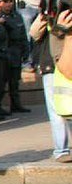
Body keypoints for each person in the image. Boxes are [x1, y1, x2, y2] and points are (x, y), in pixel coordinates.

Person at [31, 10, 72, 162]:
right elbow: (34, 34)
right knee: (58, 111)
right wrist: (44, 16)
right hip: (51, 67)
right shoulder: (46, 14)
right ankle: (61, 149)